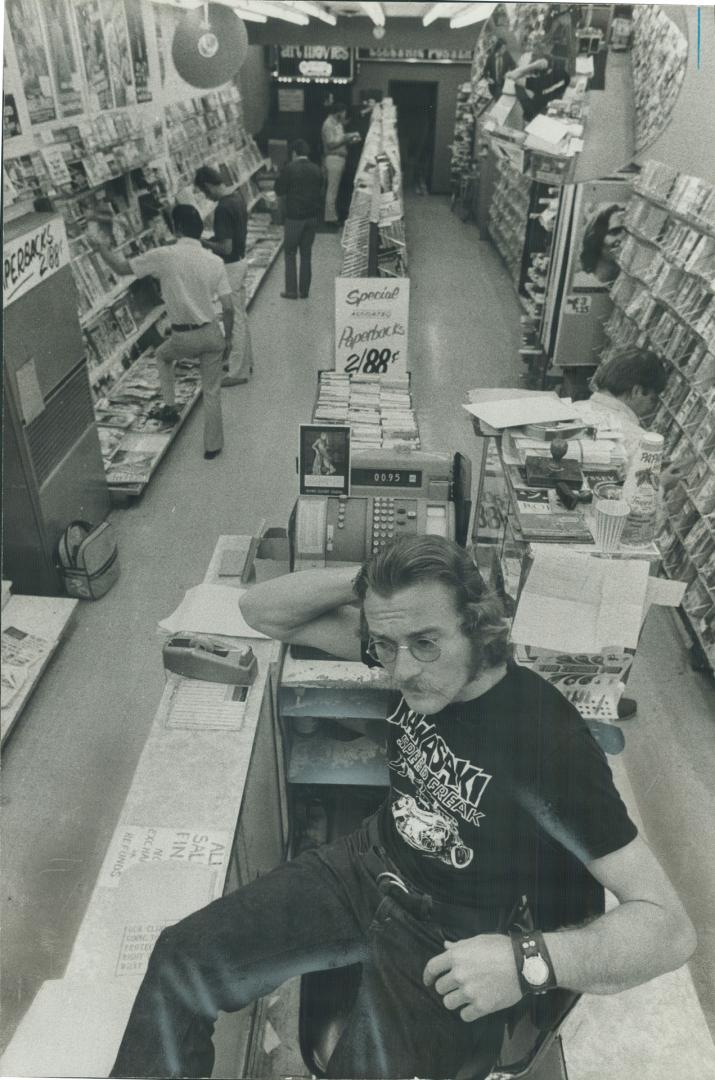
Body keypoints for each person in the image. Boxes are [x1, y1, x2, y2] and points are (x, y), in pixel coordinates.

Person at [109, 535, 696, 1079]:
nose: (401, 670)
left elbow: (670, 930)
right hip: (369, 864)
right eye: (385, 646)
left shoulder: (547, 744)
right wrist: (368, 585)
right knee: (181, 962)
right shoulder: (406, 654)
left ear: (480, 626)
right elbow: (261, 610)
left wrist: (527, 962)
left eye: (425, 643)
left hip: (456, 934)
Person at [588, 351, 692, 718]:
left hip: (586, 534)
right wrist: (662, 484)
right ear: (635, 391)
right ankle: (606, 698)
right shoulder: (637, 438)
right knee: (621, 623)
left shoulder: (581, 409)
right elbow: (642, 512)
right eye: (652, 396)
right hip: (622, 548)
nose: (652, 406)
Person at [90, 204, 233, 461]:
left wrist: (100, 247)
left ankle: (170, 406)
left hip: (183, 337)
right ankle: (213, 447)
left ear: (176, 228)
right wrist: (229, 339)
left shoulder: (164, 255)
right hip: (211, 333)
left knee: (163, 355)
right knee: (211, 390)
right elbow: (229, 307)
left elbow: (122, 268)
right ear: (199, 230)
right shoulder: (215, 261)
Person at [194, 165, 253, 386]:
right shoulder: (237, 197)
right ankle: (245, 363)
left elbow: (225, 248)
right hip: (241, 260)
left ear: (208, 185)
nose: (205, 196)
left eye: (204, 191)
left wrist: (203, 242)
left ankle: (237, 372)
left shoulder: (222, 208)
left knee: (236, 319)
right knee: (241, 316)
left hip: (230, 266)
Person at [274, 139, 323, 300]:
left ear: (294, 153)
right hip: (312, 217)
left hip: (294, 218)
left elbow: (279, 189)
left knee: (290, 253)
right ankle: (305, 291)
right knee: (306, 254)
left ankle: (291, 291)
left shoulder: (290, 169)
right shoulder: (317, 169)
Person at [321, 102, 360, 226]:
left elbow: (339, 140)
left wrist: (349, 140)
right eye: (343, 113)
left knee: (335, 189)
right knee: (332, 190)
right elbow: (331, 144)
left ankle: (333, 215)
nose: (344, 115)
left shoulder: (337, 124)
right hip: (333, 159)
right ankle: (330, 219)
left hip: (340, 158)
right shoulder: (328, 124)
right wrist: (346, 138)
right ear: (339, 112)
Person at [509, 46, 570, 123]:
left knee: (518, 87)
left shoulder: (536, 83)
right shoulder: (563, 74)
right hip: (554, 106)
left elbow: (514, 77)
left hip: (539, 112)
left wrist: (531, 66)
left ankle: (528, 118)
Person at [578, 204, 627, 285]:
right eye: (615, 232)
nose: (623, 238)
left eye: (627, 233)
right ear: (595, 239)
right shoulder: (581, 283)